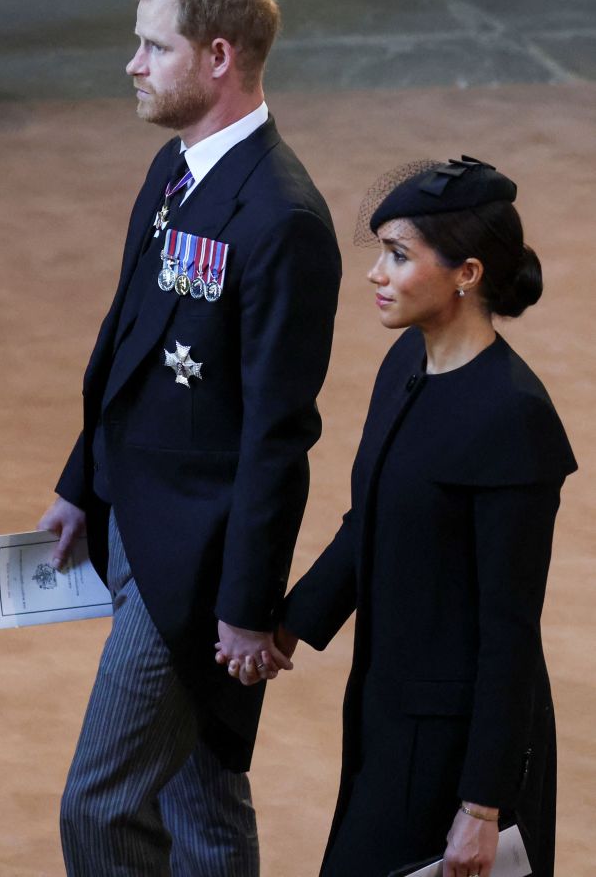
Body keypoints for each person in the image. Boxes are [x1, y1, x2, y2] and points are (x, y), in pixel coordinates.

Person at [37, 0, 341, 877]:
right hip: (131, 521)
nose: (132, 64)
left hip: (197, 567)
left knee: (100, 800)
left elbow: (277, 432)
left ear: (217, 56)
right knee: (199, 791)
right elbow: (126, 343)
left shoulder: (280, 217)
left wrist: (247, 608)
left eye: (151, 47)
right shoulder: (176, 171)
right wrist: (83, 482)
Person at [224, 156, 576, 876]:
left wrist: (483, 807)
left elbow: (509, 630)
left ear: (466, 274)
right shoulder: (406, 367)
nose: (374, 274)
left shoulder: (513, 418)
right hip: (388, 719)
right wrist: (285, 627)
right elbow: (370, 523)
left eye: (397, 255)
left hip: (456, 751)